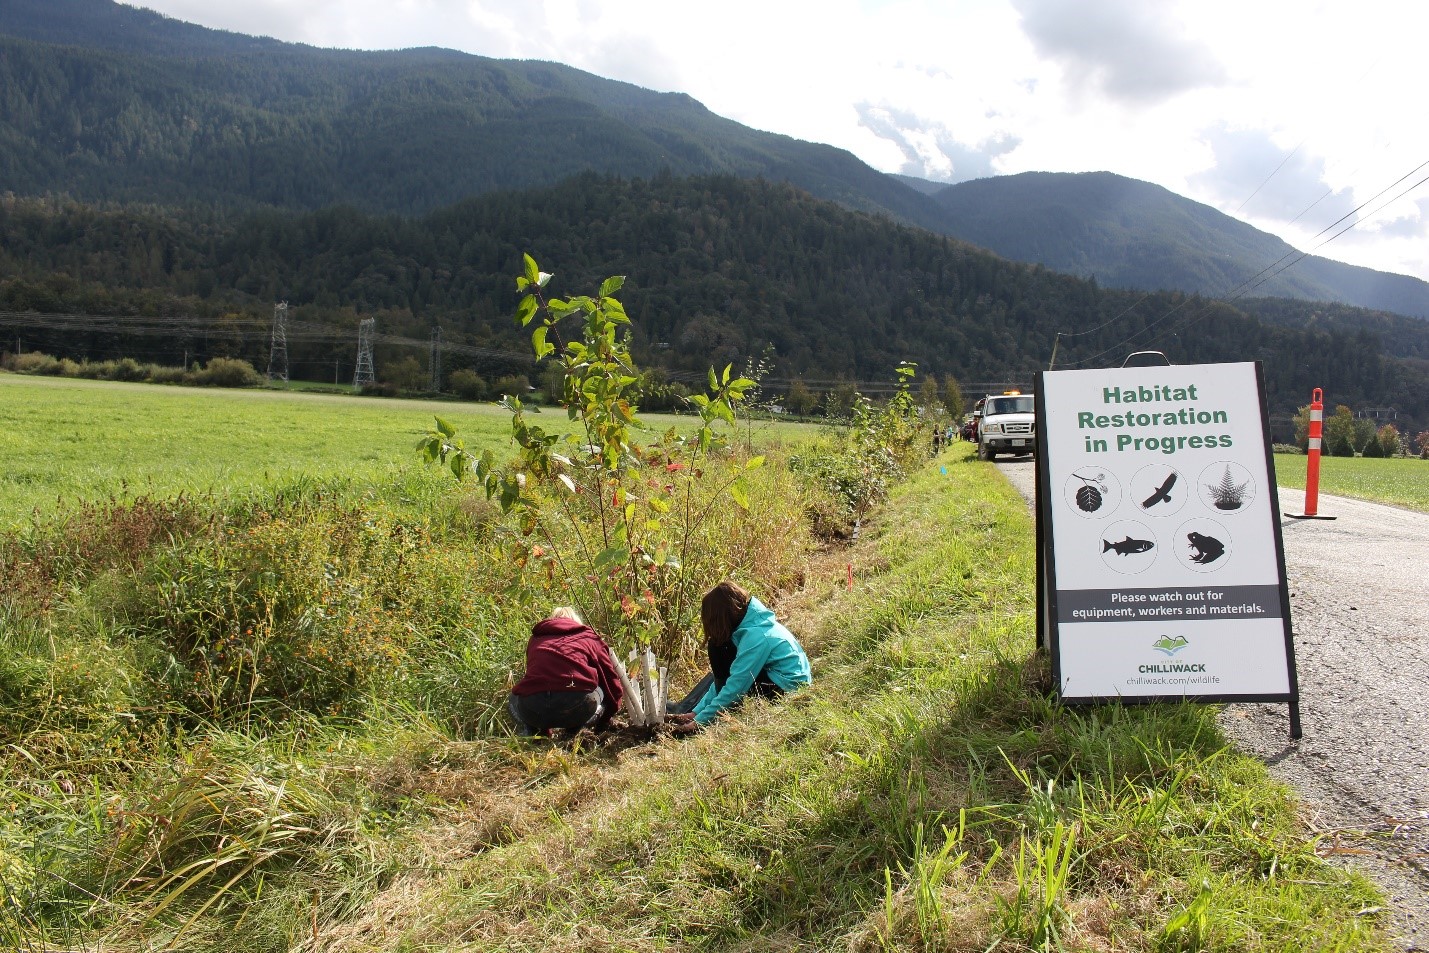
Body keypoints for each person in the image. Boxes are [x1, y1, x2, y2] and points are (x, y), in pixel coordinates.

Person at [671, 581, 812, 727]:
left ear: (722, 617)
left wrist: (700, 722)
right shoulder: (750, 626)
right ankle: (707, 712)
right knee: (717, 646)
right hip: (778, 681)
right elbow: (724, 679)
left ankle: (712, 715)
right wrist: (697, 712)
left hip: (787, 690)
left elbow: (736, 684)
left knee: (717, 648)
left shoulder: (756, 636)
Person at [508, 607, 625, 736]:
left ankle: (534, 732)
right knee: (600, 690)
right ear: (576, 622)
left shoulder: (536, 639)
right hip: (576, 708)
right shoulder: (589, 638)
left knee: (515, 696)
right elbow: (610, 682)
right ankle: (575, 730)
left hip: (534, 708)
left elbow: (535, 674)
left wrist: (545, 729)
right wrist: (606, 718)